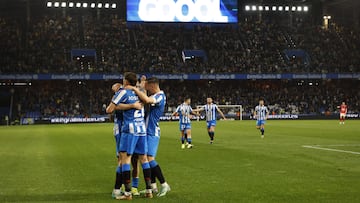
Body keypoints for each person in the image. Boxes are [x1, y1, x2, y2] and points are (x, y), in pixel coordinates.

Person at [106, 72, 152, 200]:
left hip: (129, 129)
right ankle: (149, 190)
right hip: (141, 128)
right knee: (143, 159)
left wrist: (127, 104)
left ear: (125, 81)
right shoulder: (140, 92)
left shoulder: (123, 92)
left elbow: (109, 109)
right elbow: (147, 100)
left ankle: (126, 192)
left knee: (124, 160)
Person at [129, 76, 171, 197]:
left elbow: (147, 100)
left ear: (152, 86)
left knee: (149, 159)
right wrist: (142, 85)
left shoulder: (160, 96)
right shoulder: (155, 95)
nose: (147, 89)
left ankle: (164, 184)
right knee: (146, 159)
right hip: (147, 131)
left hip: (152, 132)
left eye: (148, 87)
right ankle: (153, 187)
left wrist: (136, 89)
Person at [107, 83, 142, 199]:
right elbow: (112, 109)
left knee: (130, 159)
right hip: (127, 129)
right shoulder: (131, 96)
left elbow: (110, 109)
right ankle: (122, 187)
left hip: (128, 129)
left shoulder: (128, 94)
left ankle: (127, 188)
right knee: (125, 159)